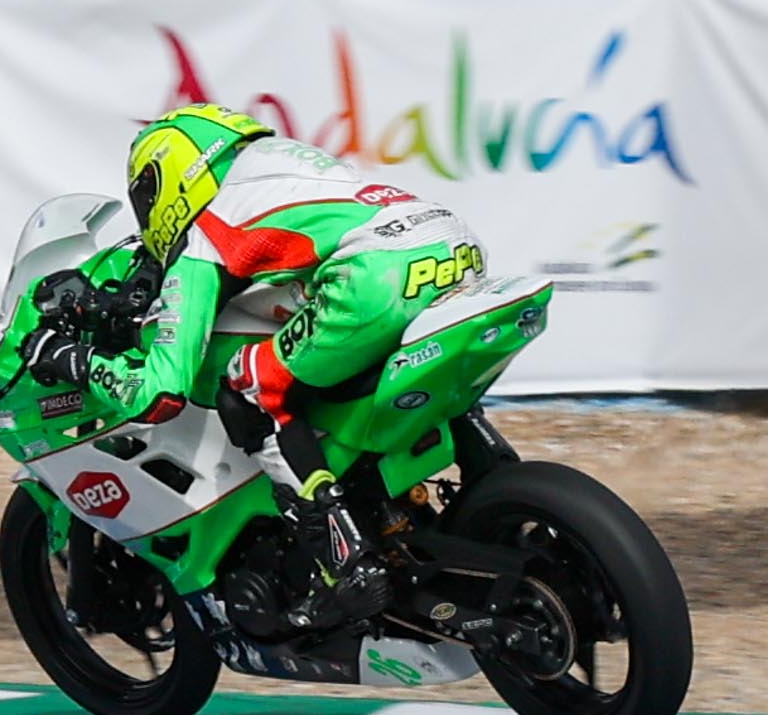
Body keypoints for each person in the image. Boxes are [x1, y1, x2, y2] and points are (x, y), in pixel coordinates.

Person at [37, 104, 492, 631]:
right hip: (454, 246)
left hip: (375, 281)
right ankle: (499, 494)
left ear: (172, 178)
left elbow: (160, 394)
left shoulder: (206, 232)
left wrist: (71, 358)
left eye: (146, 194)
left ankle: (343, 561)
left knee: (246, 386)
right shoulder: (275, 165)